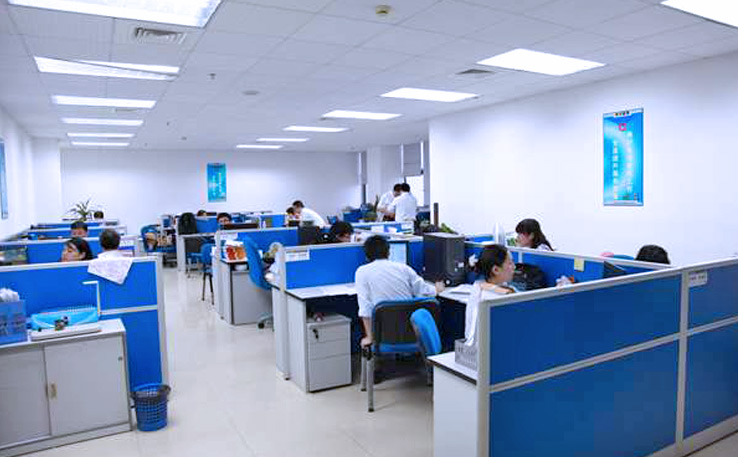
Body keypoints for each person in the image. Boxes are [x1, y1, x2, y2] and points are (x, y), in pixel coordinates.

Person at [355, 235, 444, 347]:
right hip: (412, 332)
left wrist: (370, 337)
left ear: (366, 256)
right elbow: (424, 292)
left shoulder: (362, 272)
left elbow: (365, 308)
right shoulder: (404, 268)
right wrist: (436, 289)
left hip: (383, 335)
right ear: (388, 252)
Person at [465, 244, 517, 347]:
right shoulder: (494, 299)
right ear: (496, 270)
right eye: (510, 263)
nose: (514, 267)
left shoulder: (478, 285)